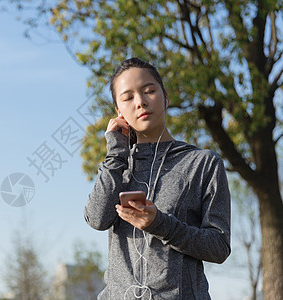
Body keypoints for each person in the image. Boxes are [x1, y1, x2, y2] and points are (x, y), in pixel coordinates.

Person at [84, 58, 231, 300]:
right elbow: (97, 219)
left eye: (149, 91)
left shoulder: (203, 163)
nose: (140, 102)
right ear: (119, 112)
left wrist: (160, 224)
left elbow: (219, 246)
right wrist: (115, 151)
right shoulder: (118, 165)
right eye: (128, 97)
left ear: (166, 97)